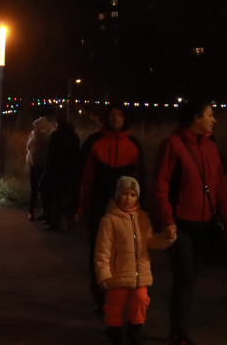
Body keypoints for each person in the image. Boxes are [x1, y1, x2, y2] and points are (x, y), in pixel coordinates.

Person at [151, 100, 227, 345]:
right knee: (184, 276)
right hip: (180, 223)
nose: (214, 119)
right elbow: (160, 186)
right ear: (196, 118)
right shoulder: (173, 145)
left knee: (190, 278)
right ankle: (178, 332)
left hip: (204, 223)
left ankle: (181, 327)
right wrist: (167, 220)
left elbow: (220, 188)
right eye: (210, 114)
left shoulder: (210, 147)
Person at [77, 104, 144, 312]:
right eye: (112, 114)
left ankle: (116, 295)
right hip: (99, 205)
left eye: (120, 114)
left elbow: (141, 179)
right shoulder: (94, 142)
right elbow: (83, 176)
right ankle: (100, 296)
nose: (116, 118)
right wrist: (79, 205)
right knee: (100, 253)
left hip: (125, 209)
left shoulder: (133, 144)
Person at [95, 176, 176, 345]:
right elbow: (103, 250)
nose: (128, 198)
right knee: (114, 305)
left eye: (132, 194)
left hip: (140, 273)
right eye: (124, 193)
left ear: (137, 197)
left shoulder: (143, 217)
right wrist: (103, 274)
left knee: (141, 301)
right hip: (117, 273)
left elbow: (150, 241)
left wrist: (167, 238)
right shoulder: (109, 220)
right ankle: (114, 331)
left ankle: (135, 329)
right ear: (118, 195)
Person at [39, 113, 80, 231]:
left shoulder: (55, 136)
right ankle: (69, 220)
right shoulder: (74, 136)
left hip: (56, 171)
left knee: (57, 197)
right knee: (69, 197)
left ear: (58, 123)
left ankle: (56, 221)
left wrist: (48, 170)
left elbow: (50, 155)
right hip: (71, 171)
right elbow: (77, 154)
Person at [26, 115, 54, 221]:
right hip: (35, 164)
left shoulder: (43, 137)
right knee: (37, 189)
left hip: (39, 165)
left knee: (39, 189)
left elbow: (40, 151)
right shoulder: (35, 136)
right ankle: (37, 211)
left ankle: (40, 211)